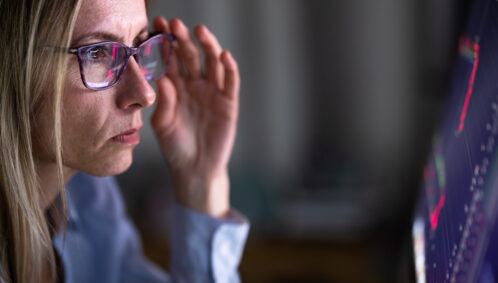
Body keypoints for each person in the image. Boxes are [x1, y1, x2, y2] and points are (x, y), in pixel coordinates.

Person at [0, 0, 249, 282]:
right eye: (97, 53)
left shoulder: (89, 197)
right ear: (12, 65)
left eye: (141, 44)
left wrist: (201, 178)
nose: (145, 94)